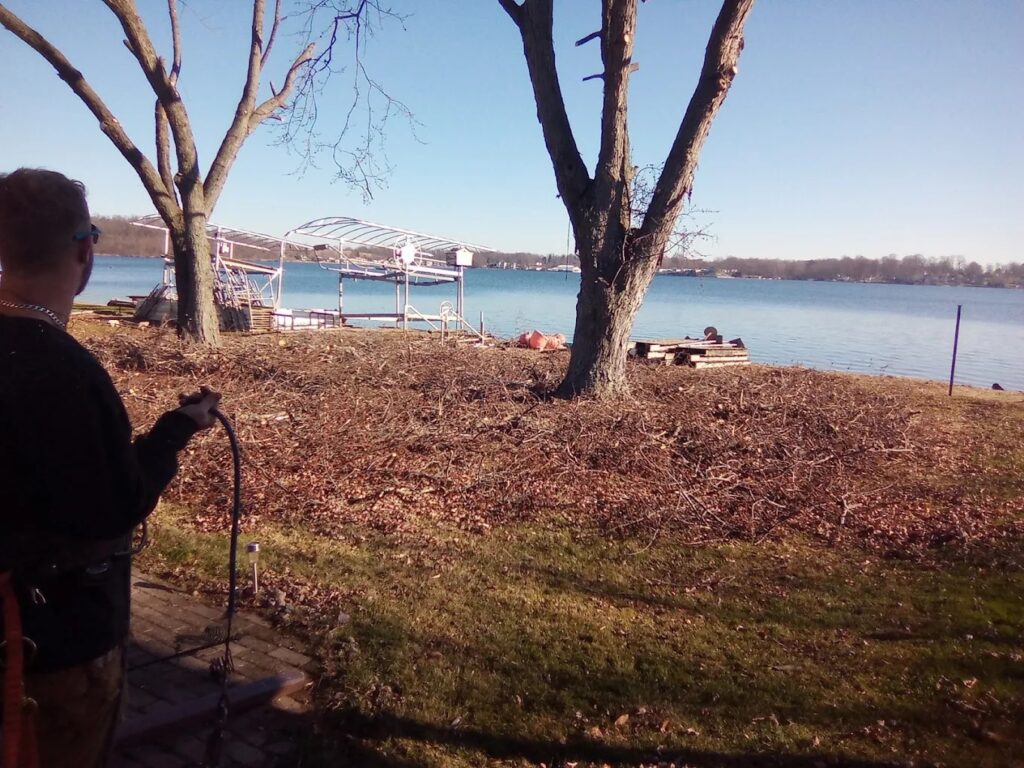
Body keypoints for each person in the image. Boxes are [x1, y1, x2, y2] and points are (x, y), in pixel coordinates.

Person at [0, 168, 221, 768]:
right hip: (50, 646)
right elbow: (116, 504)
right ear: (85, 250)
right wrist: (175, 433)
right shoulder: (65, 373)